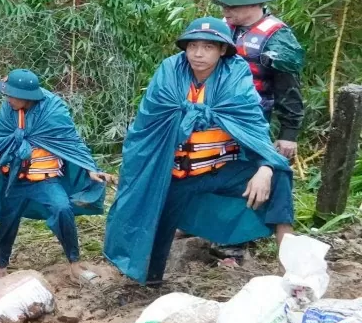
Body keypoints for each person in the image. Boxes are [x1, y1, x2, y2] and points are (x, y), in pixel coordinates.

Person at [104, 17, 295, 284]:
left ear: (223, 50)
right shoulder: (170, 71)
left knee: (279, 175)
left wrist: (265, 166)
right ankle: (149, 278)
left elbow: (252, 124)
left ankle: (292, 269)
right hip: (176, 173)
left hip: (222, 167)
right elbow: (148, 125)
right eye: (192, 45)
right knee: (149, 259)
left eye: (208, 47)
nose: (198, 54)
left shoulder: (235, 74)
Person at [0, 69, 114, 281]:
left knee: (62, 209)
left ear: (25, 97)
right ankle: (1, 267)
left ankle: (74, 263)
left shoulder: (53, 111)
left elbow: (71, 142)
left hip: (46, 180)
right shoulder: (8, 110)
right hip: (15, 181)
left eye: (11, 95)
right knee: (7, 221)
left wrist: (90, 168)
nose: (7, 98)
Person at [214, 0, 306, 160]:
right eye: (223, 5)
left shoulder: (278, 38)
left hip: (253, 114)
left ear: (254, 4)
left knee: (248, 165)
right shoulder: (219, 27)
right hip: (214, 109)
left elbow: (288, 87)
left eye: (231, 6)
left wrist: (289, 133)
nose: (225, 11)